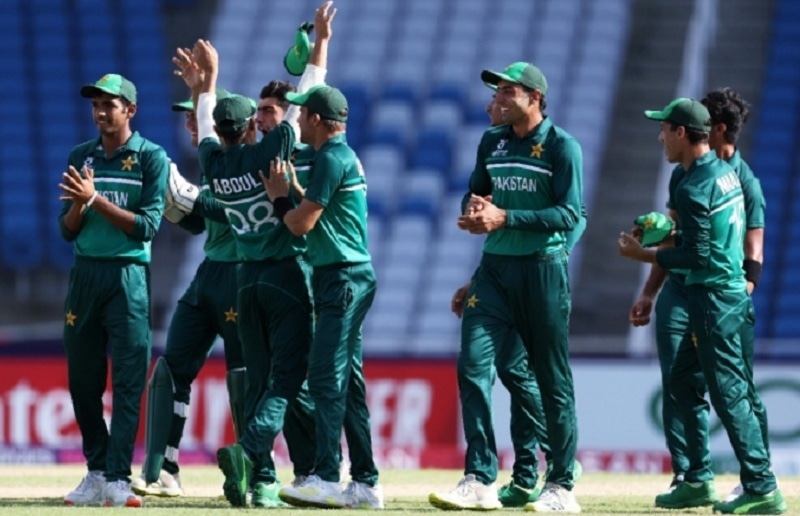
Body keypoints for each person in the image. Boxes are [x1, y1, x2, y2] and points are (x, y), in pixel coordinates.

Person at [618, 97, 786, 515]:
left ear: (681, 133)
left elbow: (699, 255)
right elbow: (698, 233)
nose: (660, 137)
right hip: (719, 295)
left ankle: (762, 486)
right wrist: (662, 230)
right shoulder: (726, 174)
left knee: (729, 394)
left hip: (713, 297)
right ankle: (695, 480)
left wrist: (646, 255)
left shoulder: (695, 186)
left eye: (664, 129)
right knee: (682, 378)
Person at [430, 62, 583, 513]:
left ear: (535, 97)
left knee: (551, 378)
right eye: (497, 92)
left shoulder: (561, 146)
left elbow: (570, 215)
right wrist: (476, 208)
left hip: (542, 271)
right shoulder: (491, 141)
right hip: (494, 271)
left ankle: (561, 485)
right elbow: (476, 192)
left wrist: (506, 218)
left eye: (507, 92)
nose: (496, 100)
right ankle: (479, 478)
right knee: (473, 367)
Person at [187, 37, 311, 509]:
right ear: (248, 127)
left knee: (259, 378)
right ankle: (251, 452)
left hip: (244, 279)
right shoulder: (268, 158)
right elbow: (299, 111)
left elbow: (202, 129)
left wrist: (208, 85)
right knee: (287, 378)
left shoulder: (213, 164)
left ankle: (261, 479)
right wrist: (317, 53)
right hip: (283, 274)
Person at [262, 84, 384, 510]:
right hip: (342, 274)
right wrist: (294, 192)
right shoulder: (337, 157)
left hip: (343, 276)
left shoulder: (333, 158)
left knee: (325, 376)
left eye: (301, 115)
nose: (296, 121)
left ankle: (328, 477)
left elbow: (299, 226)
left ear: (315, 119)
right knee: (347, 383)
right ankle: (366, 482)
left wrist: (280, 199)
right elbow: (317, 217)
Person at [129, 86, 249, 501]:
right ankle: (163, 468)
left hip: (243, 277)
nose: (189, 124)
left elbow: (222, 206)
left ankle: (255, 471)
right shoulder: (214, 169)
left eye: (196, 116)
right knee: (169, 369)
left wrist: (171, 183)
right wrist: (168, 200)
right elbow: (198, 223)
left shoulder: (250, 165)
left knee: (243, 375)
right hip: (208, 275)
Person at [58, 73, 169, 507]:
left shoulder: (150, 158)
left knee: (126, 382)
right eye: (96, 105)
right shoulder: (80, 156)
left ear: (131, 110)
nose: (101, 112)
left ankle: (119, 477)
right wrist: (80, 207)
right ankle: (97, 470)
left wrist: (96, 198)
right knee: (83, 383)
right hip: (85, 276)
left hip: (128, 279)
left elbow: (147, 227)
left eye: (111, 104)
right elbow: (67, 231)